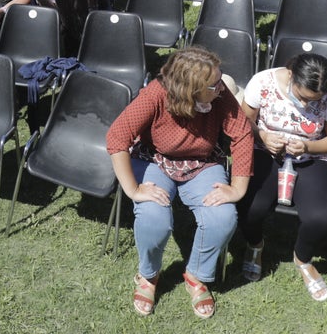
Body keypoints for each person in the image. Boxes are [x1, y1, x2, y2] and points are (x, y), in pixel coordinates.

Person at [106, 47, 253, 318]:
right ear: (190, 89)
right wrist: (133, 189)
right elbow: (117, 136)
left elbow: (242, 134)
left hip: (202, 163)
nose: (221, 87)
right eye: (214, 84)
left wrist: (238, 187)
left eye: (220, 80)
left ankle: (197, 275)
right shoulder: (155, 94)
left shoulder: (219, 95)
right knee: (153, 217)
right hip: (155, 160)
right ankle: (149, 275)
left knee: (222, 218)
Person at [236, 53, 327, 302]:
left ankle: (302, 258)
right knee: (250, 207)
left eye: (314, 101)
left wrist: (308, 147)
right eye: (303, 97)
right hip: (265, 152)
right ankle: (255, 244)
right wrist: (263, 136)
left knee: (321, 217)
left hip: (312, 157)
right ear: (291, 76)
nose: (308, 106)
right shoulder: (263, 82)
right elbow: (243, 122)